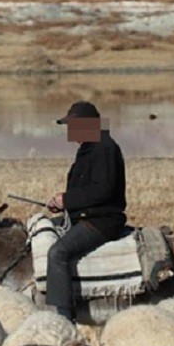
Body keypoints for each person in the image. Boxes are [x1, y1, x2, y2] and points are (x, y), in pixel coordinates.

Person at [45, 100, 127, 322]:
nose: (70, 131)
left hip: (102, 221)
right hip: (85, 215)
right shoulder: (90, 147)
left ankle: (63, 316)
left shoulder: (104, 148)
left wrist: (67, 200)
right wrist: (63, 203)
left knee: (57, 252)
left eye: (73, 125)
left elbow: (103, 190)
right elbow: (85, 189)